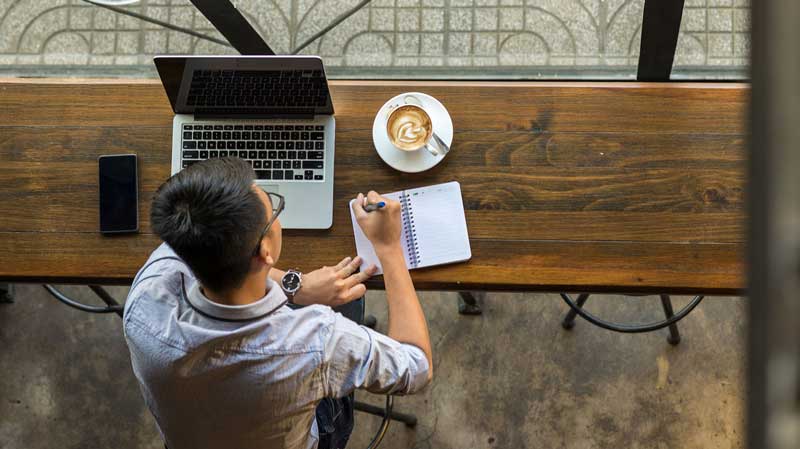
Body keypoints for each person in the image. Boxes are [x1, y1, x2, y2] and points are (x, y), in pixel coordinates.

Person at [123, 157, 433, 449]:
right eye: (273, 209)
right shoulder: (316, 339)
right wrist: (389, 247)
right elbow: (417, 368)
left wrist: (295, 287)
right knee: (349, 304)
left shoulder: (146, 297)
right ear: (265, 252)